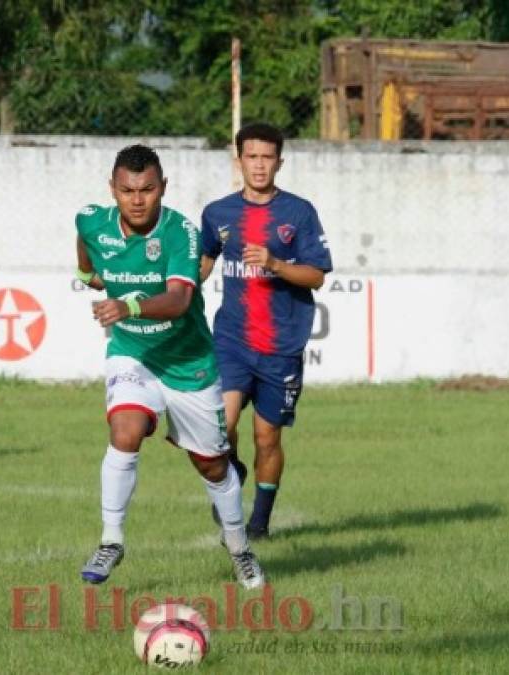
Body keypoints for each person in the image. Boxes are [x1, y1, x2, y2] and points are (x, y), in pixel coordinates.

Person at [75, 144, 264, 589]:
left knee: (213, 466)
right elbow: (85, 254)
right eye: (127, 190)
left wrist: (128, 306)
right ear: (112, 190)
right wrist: (90, 278)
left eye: (147, 189)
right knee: (125, 430)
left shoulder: (180, 232)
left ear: (163, 188)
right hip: (132, 354)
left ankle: (239, 548)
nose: (137, 200)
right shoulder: (91, 220)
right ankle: (111, 540)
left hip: (188, 363)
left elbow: (180, 301)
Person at [199, 123, 332, 539]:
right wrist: (178, 288)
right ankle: (230, 476)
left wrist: (275, 264)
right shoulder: (218, 213)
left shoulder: (299, 213)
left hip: (281, 344)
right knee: (220, 426)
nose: (259, 165)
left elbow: (316, 277)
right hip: (231, 341)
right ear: (239, 160)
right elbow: (203, 262)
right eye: (251, 157)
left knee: (267, 437)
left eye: (267, 157)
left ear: (279, 161)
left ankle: (260, 521)